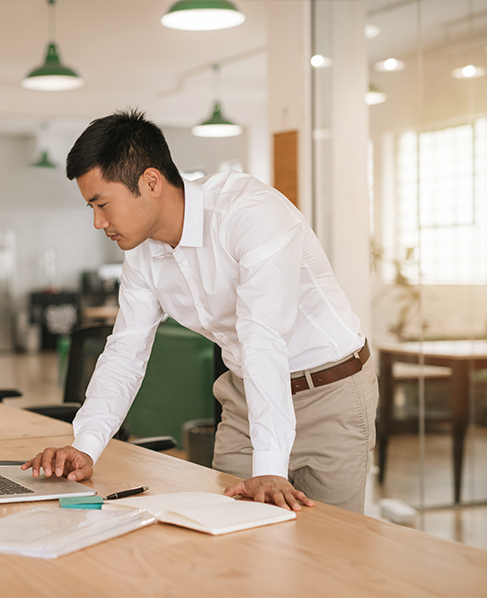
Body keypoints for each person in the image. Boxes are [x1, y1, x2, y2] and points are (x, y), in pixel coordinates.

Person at [23, 109, 378, 513]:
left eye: (101, 204)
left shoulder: (249, 214)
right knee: (236, 543)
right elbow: (125, 352)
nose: (97, 221)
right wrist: (85, 446)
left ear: (150, 181)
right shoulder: (141, 256)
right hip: (245, 399)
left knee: (331, 552)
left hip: (330, 393)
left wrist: (270, 467)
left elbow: (263, 338)